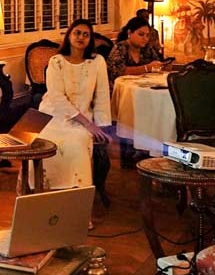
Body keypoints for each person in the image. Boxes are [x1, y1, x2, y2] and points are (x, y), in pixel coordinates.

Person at [35, 19, 111, 191]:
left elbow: (102, 95)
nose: (81, 37)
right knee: (45, 142)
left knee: (77, 142)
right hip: (52, 116)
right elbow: (56, 97)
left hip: (84, 117)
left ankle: (77, 192)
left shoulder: (97, 62)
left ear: (90, 39)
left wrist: (102, 127)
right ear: (69, 35)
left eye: (86, 34)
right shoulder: (57, 61)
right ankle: (42, 189)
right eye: (77, 32)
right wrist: (87, 124)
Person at [107, 17, 165, 88]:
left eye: (147, 35)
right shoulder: (120, 48)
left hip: (143, 87)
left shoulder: (147, 49)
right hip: (122, 89)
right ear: (129, 33)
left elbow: (156, 63)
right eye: (141, 34)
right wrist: (147, 68)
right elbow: (120, 71)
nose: (145, 38)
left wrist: (163, 65)